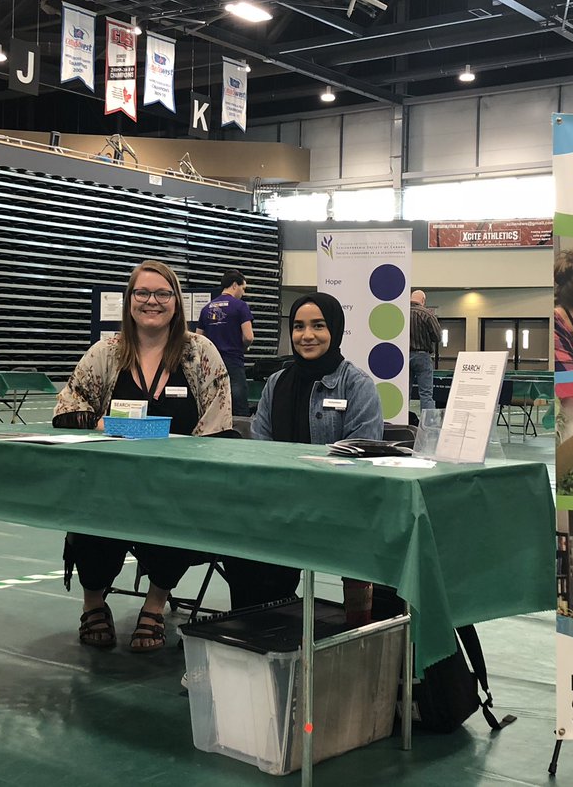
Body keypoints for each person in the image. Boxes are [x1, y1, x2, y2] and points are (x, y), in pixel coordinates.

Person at [52, 260, 232, 652]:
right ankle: (93, 602)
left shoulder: (200, 353)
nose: (153, 301)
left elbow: (218, 424)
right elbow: (66, 409)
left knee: (177, 516)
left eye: (163, 293)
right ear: (129, 301)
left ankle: (155, 604)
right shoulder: (107, 352)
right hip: (111, 485)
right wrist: (101, 425)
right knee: (88, 515)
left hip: (176, 486)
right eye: (143, 293)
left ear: (176, 302)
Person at [223, 292, 384, 625]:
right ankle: (260, 638)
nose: (306, 335)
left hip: (337, 512)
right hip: (279, 507)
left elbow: (361, 460)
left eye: (318, 326)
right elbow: (261, 448)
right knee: (240, 548)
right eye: (298, 326)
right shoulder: (276, 383)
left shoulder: (357, 386)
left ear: (335, 330)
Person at [195, 269, 255, 416]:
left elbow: (197, 339)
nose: (243, 293)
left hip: (211, 362)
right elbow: (249, 336)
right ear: (235, 285)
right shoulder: (241, 306)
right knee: (238, 403)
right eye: (243, 288)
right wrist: (244, 347)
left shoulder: (206, 308)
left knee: (213, 402)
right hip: (233, 359)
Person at [409, 290, 440, 410]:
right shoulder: (427, 314)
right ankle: (428, 425)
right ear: (423, 300)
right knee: (426, 394)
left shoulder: (402, 312)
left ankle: (402, 422)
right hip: (422, 356)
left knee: (405, 392)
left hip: (404, 357)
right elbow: (437, 337)